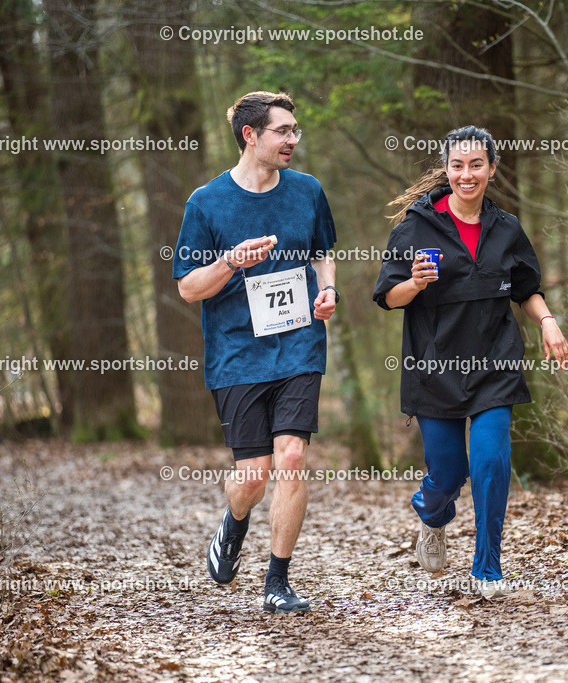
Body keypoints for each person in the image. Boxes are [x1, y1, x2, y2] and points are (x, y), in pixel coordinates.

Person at [373, 126, 568, 599]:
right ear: (447, 168)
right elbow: (387, 297)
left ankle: (487, 568)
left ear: (492, 169)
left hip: (493, 366)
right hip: (434, 367)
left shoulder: (506, 229)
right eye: (458, 165)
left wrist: (548, 322)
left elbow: (526, 289)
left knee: (491, 461)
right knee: (448, 473)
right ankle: (432, 515)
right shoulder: (415, 229)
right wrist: (416, 284)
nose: (467, 174)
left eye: (477, 165)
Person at [174, 91, 339, 614]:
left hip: (299, 344)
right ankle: (235, 520)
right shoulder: (206, 202)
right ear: (251, 136)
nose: (294, 139)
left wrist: (328, 290)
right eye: (283, 131)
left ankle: (278, 580)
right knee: (253, 475)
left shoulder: (308, 191)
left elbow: (322, 253)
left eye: (295, 130)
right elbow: (188, 287)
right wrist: (229, 262)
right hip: (237, 354)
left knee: (291, 456)